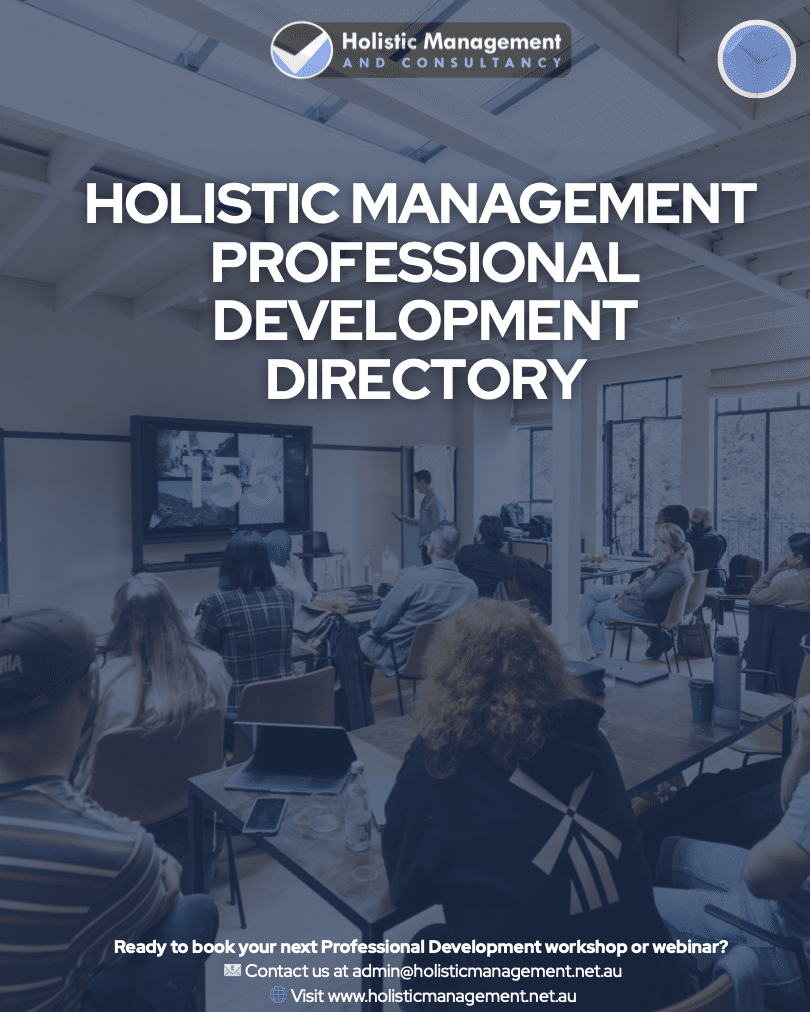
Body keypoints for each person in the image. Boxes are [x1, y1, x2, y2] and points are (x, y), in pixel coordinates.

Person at [382, 599, 691, 1012]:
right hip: (652, 990)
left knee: (425, 953)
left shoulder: (440, 760)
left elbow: (405, 885)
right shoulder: (590, 738)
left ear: (448, 672)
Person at [0, 602, 217, 1011]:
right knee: (193, 911)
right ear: (90, 684)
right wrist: (140, 855)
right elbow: (118, 948)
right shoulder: (118, 855)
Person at [655, 690, 810, 1012]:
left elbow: (760, 879)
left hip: (793, 949)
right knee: (668, 850)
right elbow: (788, 804)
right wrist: (806, 740)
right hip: (790, 898)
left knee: (640, 906)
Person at [74, 573, 231, 792]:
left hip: (117, 800)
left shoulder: (99, 677)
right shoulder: (212, 665)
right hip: (196, 791)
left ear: (117, 618)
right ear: (174, 613)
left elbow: (75, 747)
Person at [196, 530, 294, 745]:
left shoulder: (216, 603)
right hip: (286, 711)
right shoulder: (286, 597)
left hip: (238, 719)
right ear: (265, 562)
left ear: (228, 564)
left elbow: (200, 657)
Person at [359, 524, 477, 679]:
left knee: (350, 642)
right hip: (442, 660)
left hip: (400, 659)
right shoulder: (471, 588)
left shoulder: (412, 580)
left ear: (430, 548)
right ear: (458, 550)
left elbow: (377, 625)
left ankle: (355, 696)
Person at [579, 523, 693, 659]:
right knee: (591, 590)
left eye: (656, 540)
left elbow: (647, 593)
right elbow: (642, 578)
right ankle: (573, 629)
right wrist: (623, 590)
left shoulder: (676, 570)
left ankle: (599, 657)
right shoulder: (669, 559)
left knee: (594, 613)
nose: (654, 543)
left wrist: (652, 567)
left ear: (666, 544)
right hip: (638, 598)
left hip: (645, 608)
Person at [454, 514, 517, 597]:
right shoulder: (509, 561)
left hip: (466, 601)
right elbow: (509, 577)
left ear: (480, 536)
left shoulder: (465, 551)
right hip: (491, 604)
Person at [748, 532, 810, 611]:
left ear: (799, 558)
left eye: (785, 550)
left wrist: (772, 570)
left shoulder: (788, 585)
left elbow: (753, 597)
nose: (783, 554)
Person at [397, 469, 446, 566]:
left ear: (422, 482)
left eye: (416, 483)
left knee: (432, 573)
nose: (415, 487)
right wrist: (406, 520)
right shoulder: (425, 501)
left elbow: (439, 526)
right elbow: (423, 522)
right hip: (426, 545)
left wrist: (432, 547)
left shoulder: (435, 501)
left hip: (433, 548)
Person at [687, 507, 726, 587]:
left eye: (695, 517)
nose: (691, 520)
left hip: (706, 584)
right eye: (692, 516)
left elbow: (700, 567)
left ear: (707, 519)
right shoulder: (692, 535)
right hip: (692, 580)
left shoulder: (714, 539)